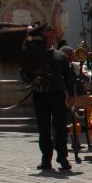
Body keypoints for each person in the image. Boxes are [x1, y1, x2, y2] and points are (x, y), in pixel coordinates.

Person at [31, 25, 75, 172]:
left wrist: (72, 95)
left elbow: (68, 78)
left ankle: (62, 158)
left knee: (60, 129)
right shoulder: (34, 55)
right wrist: (32, 80)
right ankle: (46, 159)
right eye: (46, 37)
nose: (49, 40)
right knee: (43, 130)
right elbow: (25, 73)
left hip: (57, 96)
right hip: (40, 96)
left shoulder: (60, 56)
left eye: (51, 37)